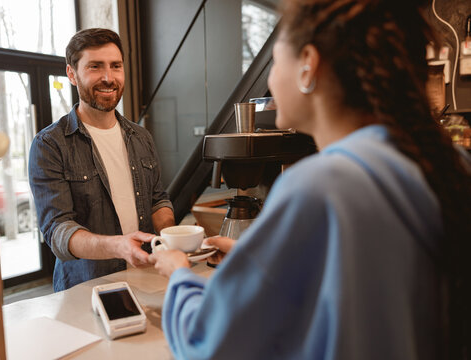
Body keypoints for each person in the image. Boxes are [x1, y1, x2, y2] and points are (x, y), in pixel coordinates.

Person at [150, 0, 471, 359]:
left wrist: (179, 275)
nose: (270, 79)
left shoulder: (321, 186)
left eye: (274, 60)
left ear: (307, 65)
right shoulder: (449, 164)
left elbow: (210, 344)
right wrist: (265, 260)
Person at [29, 28, 175, 291]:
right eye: (95, 67)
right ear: (72, 74)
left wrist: (174, 236)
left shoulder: (141, 137)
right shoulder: (50, 145)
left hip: (147, 281)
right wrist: (117, 246)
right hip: (86, 288)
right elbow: (58, 231)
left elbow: (157, 200)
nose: (108, 78)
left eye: (115, 66)